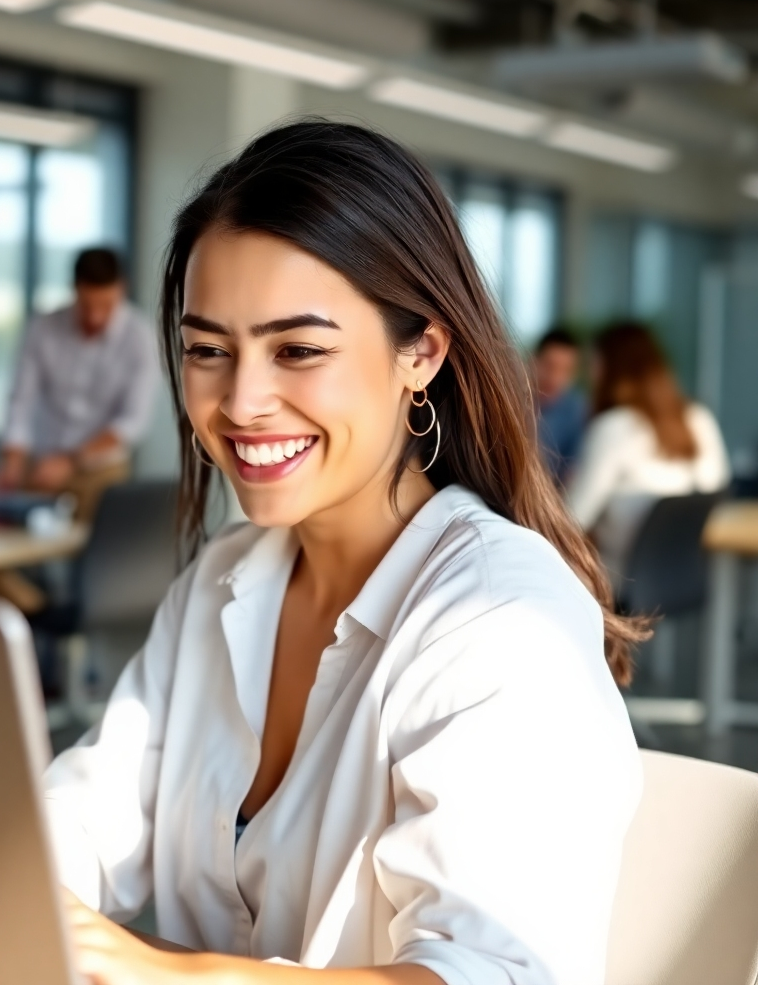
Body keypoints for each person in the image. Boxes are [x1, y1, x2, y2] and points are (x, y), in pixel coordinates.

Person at [46, 122, 645, 985]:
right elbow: (88, 817)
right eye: (208, 350)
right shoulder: (224, 576)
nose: (243, 402)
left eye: (299, 350)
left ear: (422, 354)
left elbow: (482, 973)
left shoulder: (500, 616)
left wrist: (173, 976)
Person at [0, 247, 159, 521]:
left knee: (100, 556)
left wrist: (71, 461)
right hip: (41, 468)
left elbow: (133, 421)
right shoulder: (42, 329)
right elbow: (20, 400)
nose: (95, 317)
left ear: (122, 289)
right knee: (14, 547)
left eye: (105, 306)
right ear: (74, 289)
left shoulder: (141, 339)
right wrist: (12, 463)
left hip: (103, 472)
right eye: (86, 305)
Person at [567, 321, 730, 586]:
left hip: (617, 576)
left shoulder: (613, 428)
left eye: (594, 363)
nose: (590, 374)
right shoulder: (700, 418)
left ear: (612, 368)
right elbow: (716, 491)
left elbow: (571, 520)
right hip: (685, 572)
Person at [532, 328, 587, 483]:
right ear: (533, 361)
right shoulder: (511, 400)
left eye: (566, 370)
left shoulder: (577, 412)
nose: (555, 378)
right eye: (549, 366)